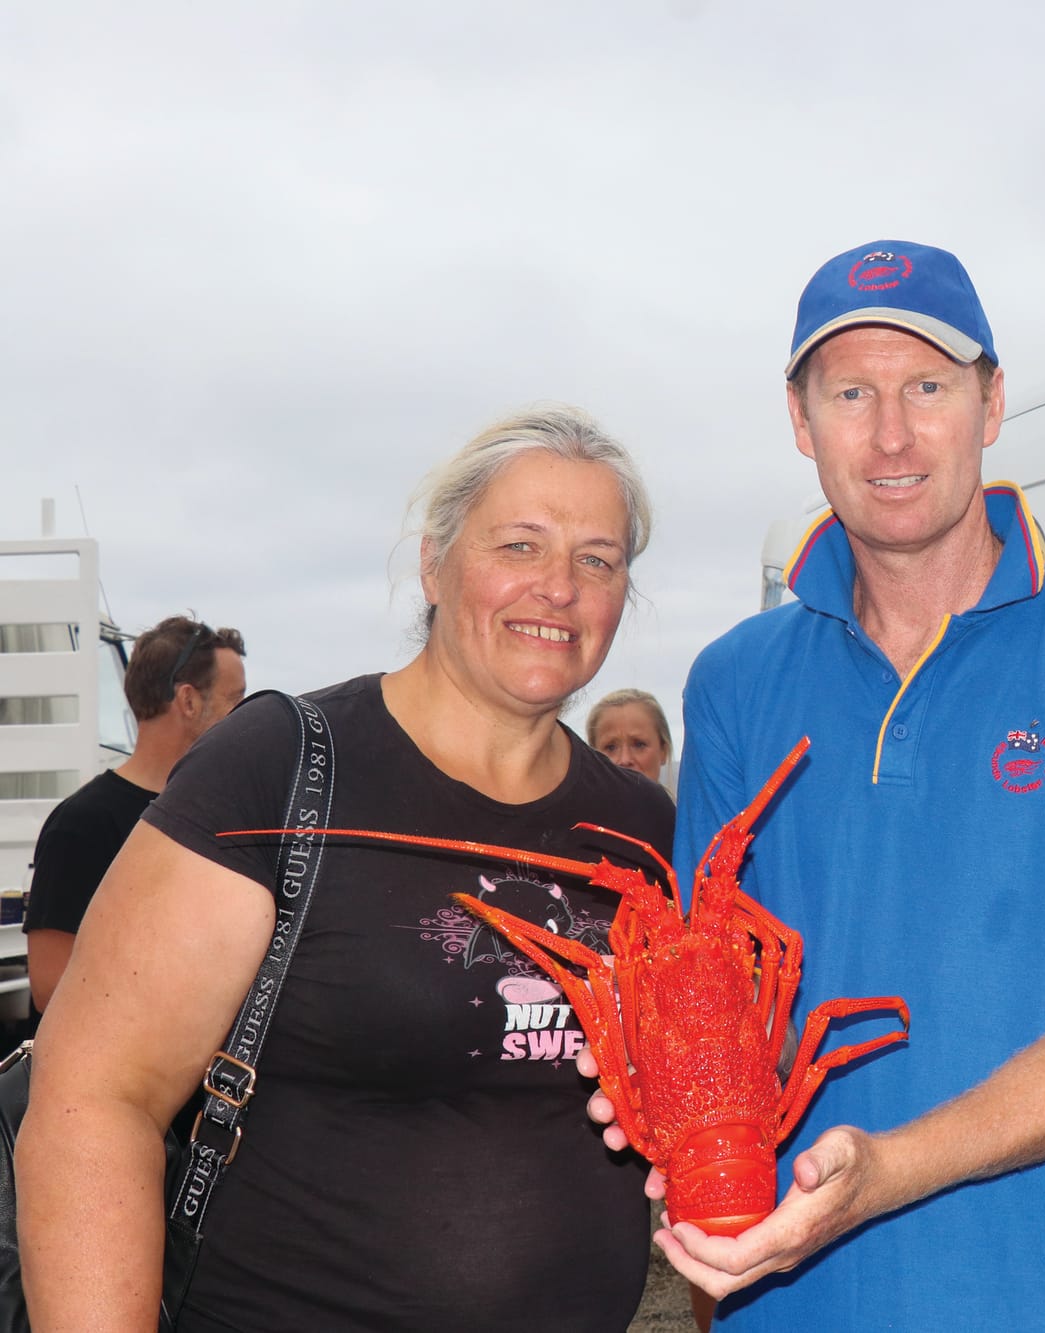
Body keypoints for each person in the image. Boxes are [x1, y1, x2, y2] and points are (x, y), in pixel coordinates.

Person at [607, 240, 1045, 1331]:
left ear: (990, 403)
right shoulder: (736, 683)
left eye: (927, 387)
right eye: (850, 393)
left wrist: (887, 1169)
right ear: (800, 421)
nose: (890, 433)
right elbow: (713, 988)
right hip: (784, 1303)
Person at [17, 407, 675, 1331]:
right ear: (434, 564)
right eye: (520, 545)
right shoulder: (280, 766)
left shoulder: (643, 827)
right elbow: (94, 1097)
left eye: (597, 560)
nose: (559, 587)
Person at [24, 615, 245, 1013]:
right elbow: (50, 986)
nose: (246, 718)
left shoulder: (224, 815)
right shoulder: (81, 825)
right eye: (235, 699)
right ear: (190, 701)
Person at [587, 686, 675, 793]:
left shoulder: (688, 809)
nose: (625, 760)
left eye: (639, 745)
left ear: (663, 751)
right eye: (611, 747)